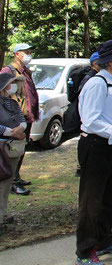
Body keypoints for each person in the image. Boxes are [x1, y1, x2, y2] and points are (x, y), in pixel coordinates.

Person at [75, 39, 112, 265]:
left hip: (111, 146)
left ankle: (104, 240)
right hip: (96, 146)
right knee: (92, 200)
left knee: (110, 197)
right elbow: (90, 121)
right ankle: (85, 251)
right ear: (111, 62)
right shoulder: (96, 84)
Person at [0, 43, 39, 196]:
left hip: (25, 117)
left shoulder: (24, 71)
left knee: (21, 150)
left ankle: (16, 176)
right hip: (13, 119)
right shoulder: (8, 70)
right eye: (26, 52)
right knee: (13, 151)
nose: (29, 54)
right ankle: (13, 182)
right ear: (17, 54)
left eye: (30, 51)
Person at [0, 73, 27, 226]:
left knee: (6, 184)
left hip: (13, 148)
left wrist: (21, 128)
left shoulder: (13, 103)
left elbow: (22, 119)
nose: (14, 86)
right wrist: (11, 132)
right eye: (12, 83)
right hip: (2, 147)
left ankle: (2, 214)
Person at [74, 52, 100, 176]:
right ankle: (81, 166)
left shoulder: (96, 76)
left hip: (85, 115)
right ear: (95, 63)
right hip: (85, 115)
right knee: (85, 137)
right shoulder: (90, 78)